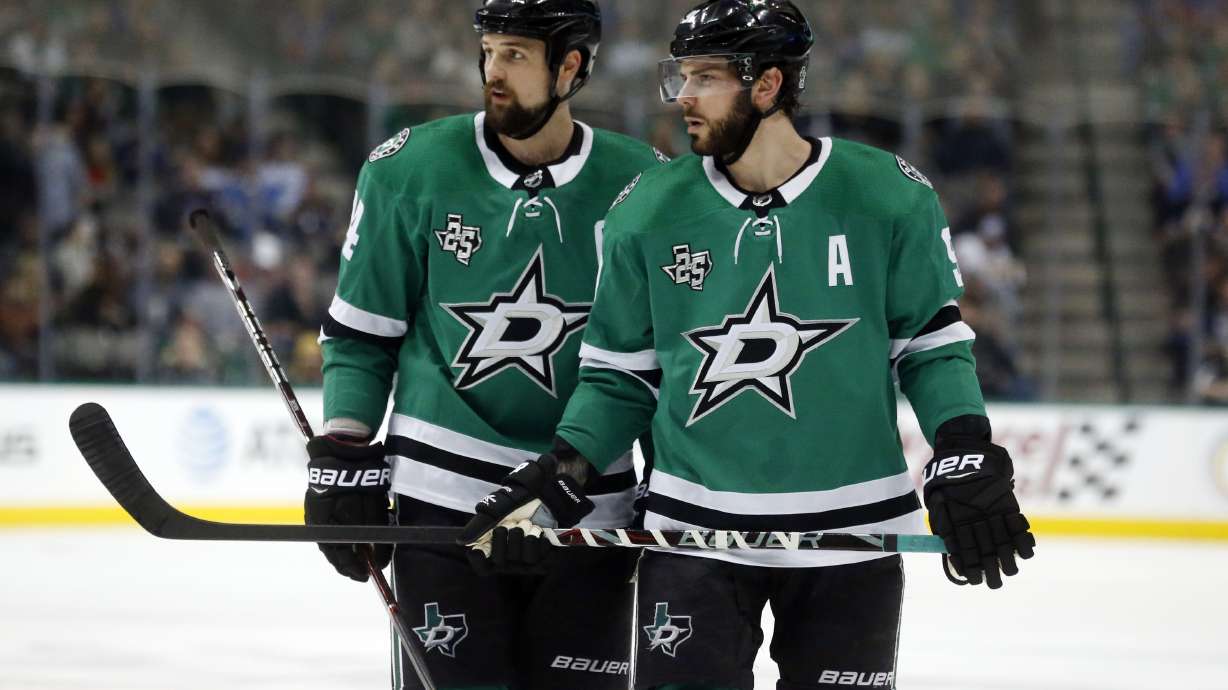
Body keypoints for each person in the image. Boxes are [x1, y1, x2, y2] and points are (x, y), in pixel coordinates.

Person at [459, 2, 1036, 689]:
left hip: (849, 537)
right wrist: (564, 470)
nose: (684, 98)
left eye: (704, 77)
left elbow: (931, 346)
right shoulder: (645, 210)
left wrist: (963, 444)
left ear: (766, 86)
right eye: (682, 76)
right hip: (690, 534)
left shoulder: (888, 196)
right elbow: (619, 377)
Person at [304, 2, 665, 688]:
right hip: (444, 504)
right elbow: (360, 333)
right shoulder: (407, 169)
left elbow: (660, 362)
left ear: (572, 67)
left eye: (517, 56)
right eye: (490, 52)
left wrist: (665, 477)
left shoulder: (643, 183)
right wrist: (346, 449)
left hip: (586, 507)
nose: (493, 72)